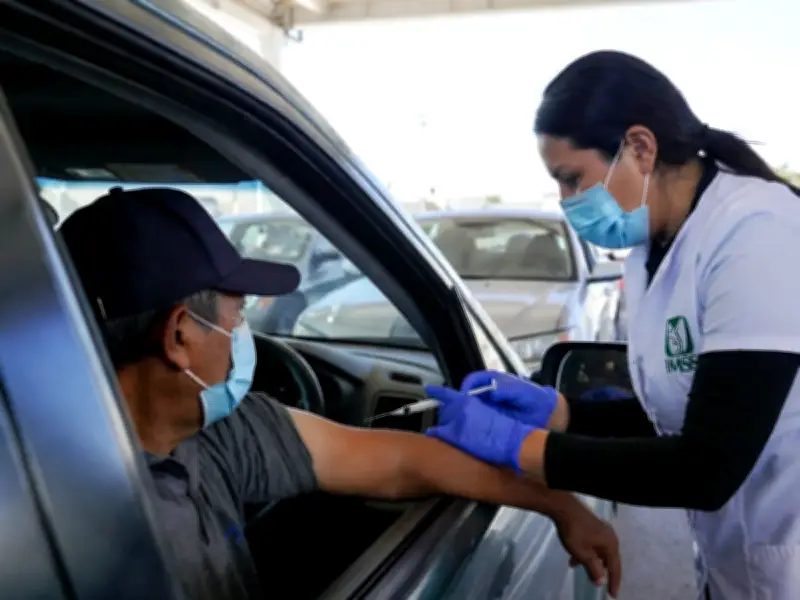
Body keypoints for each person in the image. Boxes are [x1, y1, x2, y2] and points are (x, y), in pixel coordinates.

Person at [58, 186, 621, 600]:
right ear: (180, 335)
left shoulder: (222, 430)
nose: (246, 330)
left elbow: (399, 460)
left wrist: (554, 501)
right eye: (237, 311)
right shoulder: (65, 517)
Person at [424, 50, 800, 600]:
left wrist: (523, 449)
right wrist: (563, 413)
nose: (567, 201)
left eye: (572, 179)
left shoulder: (756, 233)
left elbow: (707, 466)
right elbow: (683, 412)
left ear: (641, 148)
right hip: (740, 566)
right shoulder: (653, 249)